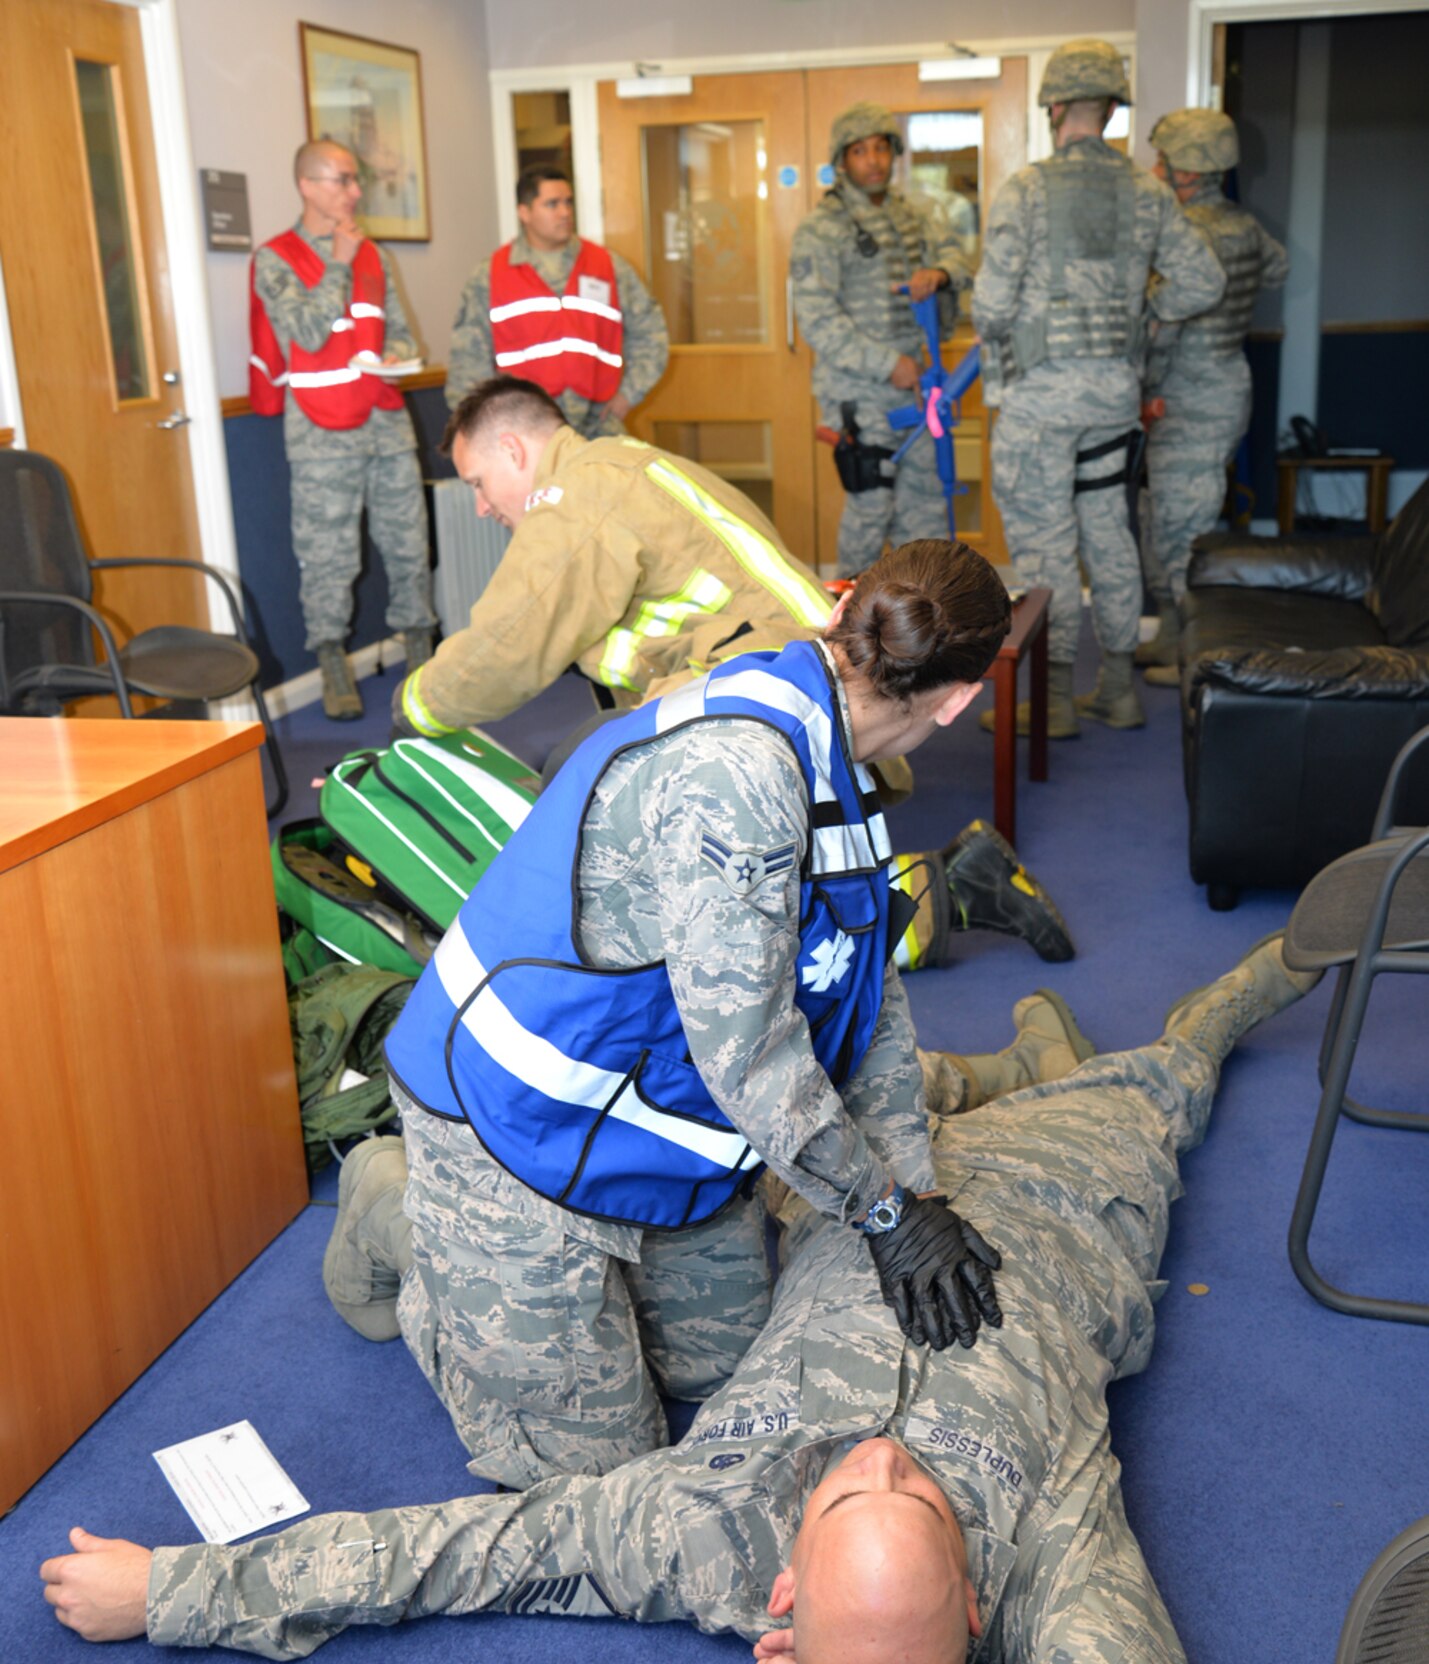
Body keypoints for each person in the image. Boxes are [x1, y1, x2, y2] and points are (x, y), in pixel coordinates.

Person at [39, 937, 1322, 1664]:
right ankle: (1158, 1014)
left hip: (852, 1210)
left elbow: (446, 1555)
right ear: (978, 1602)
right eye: (909, 1491)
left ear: (781, 1594)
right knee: (1172, 1080)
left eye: (854, 1491)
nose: (883, 1456)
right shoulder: (1050, 1538)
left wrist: (174, 1589)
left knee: (728, 1165)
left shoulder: (698, 1530)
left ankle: (388, 1197)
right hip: (1051, 1204)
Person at [353, 539, 1024, 1490]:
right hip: (506, 1123)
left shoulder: (838, 754)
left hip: (656, 1115)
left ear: (838, 612)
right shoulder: (741, 777)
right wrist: (878, 1214)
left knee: (727, 1381)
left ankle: (495, 1258)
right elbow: (749, 1054)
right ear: (959, 699)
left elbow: (866, 997)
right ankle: (399, 1209)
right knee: (603, 1478)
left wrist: (913, 1199)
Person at [394, 375, 1075, 969]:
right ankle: (952, 887)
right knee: (765, 888)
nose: (481, 505)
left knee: (721, 914)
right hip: (802, 676)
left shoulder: (575, 498)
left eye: (478, 483)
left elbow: (508, 643)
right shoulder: (619, 462)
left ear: (513, 451)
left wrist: (412, 711)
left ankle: (952, 887)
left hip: (760, 698)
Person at [971, 42, 1225, 739]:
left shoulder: (1024, 189)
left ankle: (1049, 704)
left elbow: (989, 309)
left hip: (1039, 408)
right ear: (1113, 109)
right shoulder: (1148, 191)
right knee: (1108, 536)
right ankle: (1116, 690)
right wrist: (1141, 316)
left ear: (1052, 106)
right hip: (1114, 402)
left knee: (1045, 550)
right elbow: (1203, 281)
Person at [250, 140, 435, 721]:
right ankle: (331, 660)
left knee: (409, 547)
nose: (355, 193)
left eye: (356, 182)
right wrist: (336, 261)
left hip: (385, 422)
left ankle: (422, 661)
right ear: (307, 185)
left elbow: (401, 333)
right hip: (321, 435)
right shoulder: (275, 258)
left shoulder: (375, 256)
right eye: (343, 180)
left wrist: (398, 356)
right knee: (328, 557)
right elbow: (304, 332)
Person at [1136, 111, 1290, 678]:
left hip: (1188, 393)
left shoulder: (1187, 236)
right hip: (1223, 382)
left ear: (1188, 172)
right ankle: (1174, 635)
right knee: (1165, 518)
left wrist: (1143, 384)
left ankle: (1196, 655)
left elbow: (1165, 326)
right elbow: (1278, 268)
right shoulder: (1244, 227)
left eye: (1164, 161)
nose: (1156, 170)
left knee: (1183, 529)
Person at [791, 104, 974, 574]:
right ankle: (848, 629)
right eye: (859, 151)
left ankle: (925, 626)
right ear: (842, 161)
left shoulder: (915, 216)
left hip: (918, 390)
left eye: (880, 148)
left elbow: (959, 258)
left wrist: (940, 273)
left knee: (926, 513)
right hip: (860, 393)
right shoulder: (821, 229)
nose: (873, 160)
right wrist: (887, 363)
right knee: (870, 513)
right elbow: (817, 318)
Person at [445, 167, 669, 439]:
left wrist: (628, 395)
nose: (564, 212)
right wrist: (487, 426)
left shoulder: (608, 267)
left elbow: (651, 334)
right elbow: (468, 361)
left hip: (597, 427)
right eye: (552, 204)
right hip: (525, 431)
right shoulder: (491, 275)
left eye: (568, 202)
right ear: (524, 213)